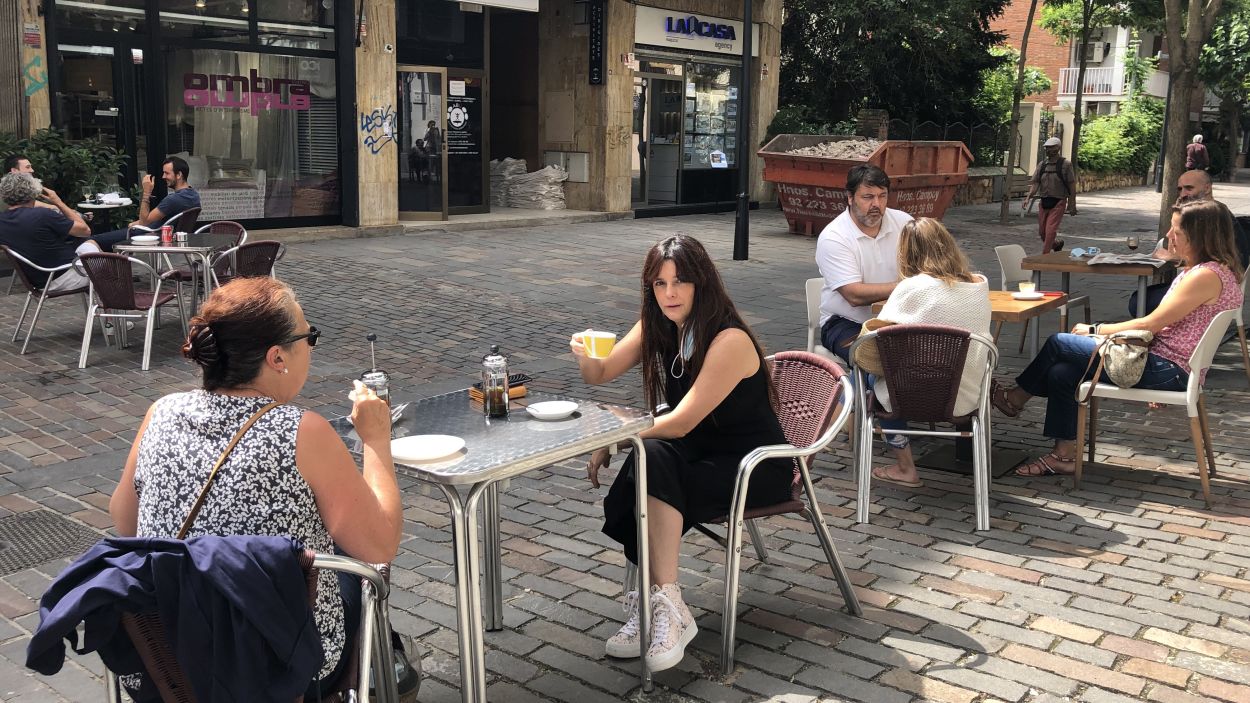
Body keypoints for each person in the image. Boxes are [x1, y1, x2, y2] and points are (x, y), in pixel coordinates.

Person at [107, 277, 405, 699]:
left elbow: (125, 523)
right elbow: (380, 545)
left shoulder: (161, 412)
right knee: (355, 567)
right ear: (277, 356)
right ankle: (391, 667)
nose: (312, 347)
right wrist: (376, 440)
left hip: (173, 651)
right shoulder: (303, 432)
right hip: (280, 663)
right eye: (309, 336)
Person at [568, 234, 793, 672]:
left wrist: (614, 439)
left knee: (648, 454)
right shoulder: (660, 323)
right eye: (659, 283)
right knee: (649, 458)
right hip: (700, 455)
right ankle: (655, 604)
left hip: (754, 465)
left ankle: (668, 604)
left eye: (680, 282)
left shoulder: (728, 339)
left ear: (702, 283)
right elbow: (601, 373)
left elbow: (684, 421)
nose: (669, 294)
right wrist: (583, 353)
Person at [991, 200, 1244, 478]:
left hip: (1167, 368)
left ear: (1201, 236)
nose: (1170, 237)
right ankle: (1063, 457)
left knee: (1059, 343)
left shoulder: (1205, 276)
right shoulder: (1215, 271)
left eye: (1177, 232)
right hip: (1168, 364)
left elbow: (1151, 323)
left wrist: (1096, 330)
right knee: (1062, 372)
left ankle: (1014, 398)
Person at [868, 218, 992, 487]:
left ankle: (905, 466)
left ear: (907, 253)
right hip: (966, 395)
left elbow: (879, 339)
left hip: (910, 396)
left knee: (875, 377)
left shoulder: (911, 288)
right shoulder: (979, 286)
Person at [816, 164, 915, 363]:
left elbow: (925, 267)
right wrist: (908, 287)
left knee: (939, 349)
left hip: (897, 316)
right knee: (880, 361)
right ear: (850, 198)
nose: (876, 204)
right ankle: (868, 393)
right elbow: (854, 295)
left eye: (882, 196)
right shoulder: (834, 237)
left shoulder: (904, 223)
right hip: (844, 322)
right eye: (868, 197)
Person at [1129, 169, 1248, 315]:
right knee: (1141, 297)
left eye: (1189, 188)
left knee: (1140, 301)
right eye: (1180, 189)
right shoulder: (1200, 214)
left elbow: (1222, 259)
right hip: (1207, 284)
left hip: (1212, 286)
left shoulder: (1213, 216)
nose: (1183, 193)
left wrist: (1175, 258)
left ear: (1207, 188)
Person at [0, 172, 97, 291]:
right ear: (34, 191)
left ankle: (98, 302)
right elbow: (85, 231)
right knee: (94, 247)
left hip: (38, 282)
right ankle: (110, 302)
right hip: (66, 276)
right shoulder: (42, 215)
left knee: (86, 245)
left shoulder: (2, 220)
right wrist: (58, 202)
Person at [93, 156, 200, 251]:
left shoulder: (174, 200)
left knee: (93, 240)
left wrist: (146, 192)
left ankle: (97, 269)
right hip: (165, 236)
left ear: (179, 175)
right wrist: (135, 223)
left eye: (167, 173)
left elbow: (144, 223)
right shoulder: (194, 196)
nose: (163, 177)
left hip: (149, 236)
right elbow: (148, 220)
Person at [1023, 136, 1077, 254]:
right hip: (1044, 202)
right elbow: (1036, 183)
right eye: (1047, 148)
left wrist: (1072, 204)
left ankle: (1045, 255)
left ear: (1058, 148)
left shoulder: (1066, 165)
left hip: (1059, 201)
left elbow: (1072, 185)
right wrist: (1028, 198)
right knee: (1042, 232)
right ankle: (1056, 244)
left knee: (1050, 230)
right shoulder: (1042, 165)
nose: (1048, 150)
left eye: (1051, 147)